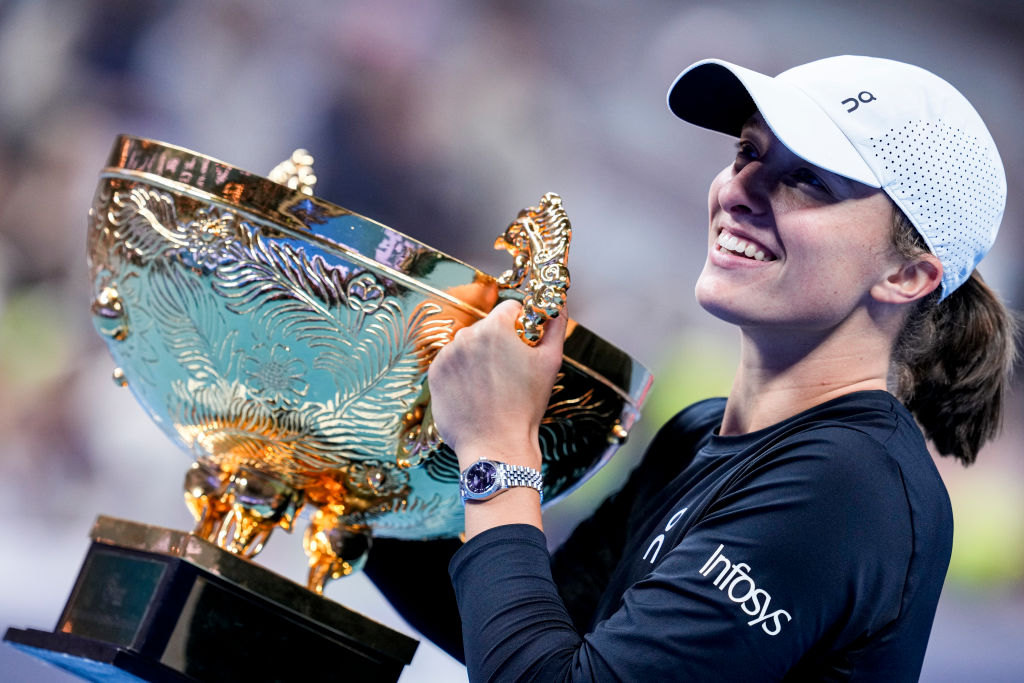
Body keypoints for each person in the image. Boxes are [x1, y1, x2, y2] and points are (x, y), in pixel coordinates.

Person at [366, 55, 1017, 681]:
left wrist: (497, 446)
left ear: (906, 275)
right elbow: (530, 637)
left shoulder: (849, 488)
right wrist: (358, 473)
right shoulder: (697, 434)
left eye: (809, 179)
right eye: (748, 151)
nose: (738, 189)